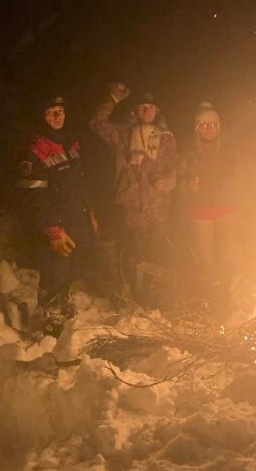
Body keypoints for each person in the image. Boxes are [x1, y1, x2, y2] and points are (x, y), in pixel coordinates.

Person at [89, 82, 178, 305]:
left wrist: (168, 183)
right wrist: (112, 99)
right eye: (142, 107)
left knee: (157, 256)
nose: (147, 111)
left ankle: (155, 299)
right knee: (131, 256)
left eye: (151, 107)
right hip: (131, 209)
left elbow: (174, 170)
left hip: (158, 210)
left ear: (157, 111)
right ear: (136, 110)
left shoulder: (166, 138)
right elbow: (96, 123)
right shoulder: (123, 134)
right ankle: (131, 298)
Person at [15, 95, 97, 336]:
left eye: (60, 111)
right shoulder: (33, 152)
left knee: (69, 268)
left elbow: (80, 184)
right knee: (54, 271)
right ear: (42, 117)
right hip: (54, 226)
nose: (57, 117)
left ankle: (62, 305)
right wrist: (53, 230)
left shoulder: (69, 142)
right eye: (51, 113)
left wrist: (90, 213)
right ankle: (50, 321)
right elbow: (34, 197)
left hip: (74, 218)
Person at [178, 102, 241, 300]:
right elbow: (178, 180)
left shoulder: (228, 150)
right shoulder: (189, 152)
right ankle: (210, 298)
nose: (209, 129)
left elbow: (238, 177)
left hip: (225, 207)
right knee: (206, 261)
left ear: (218, 127)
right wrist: (188, 187)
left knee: (230, 256)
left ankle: (234, 295)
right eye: (204, 125)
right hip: (201, 210)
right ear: (197, 128)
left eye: (212, 125)